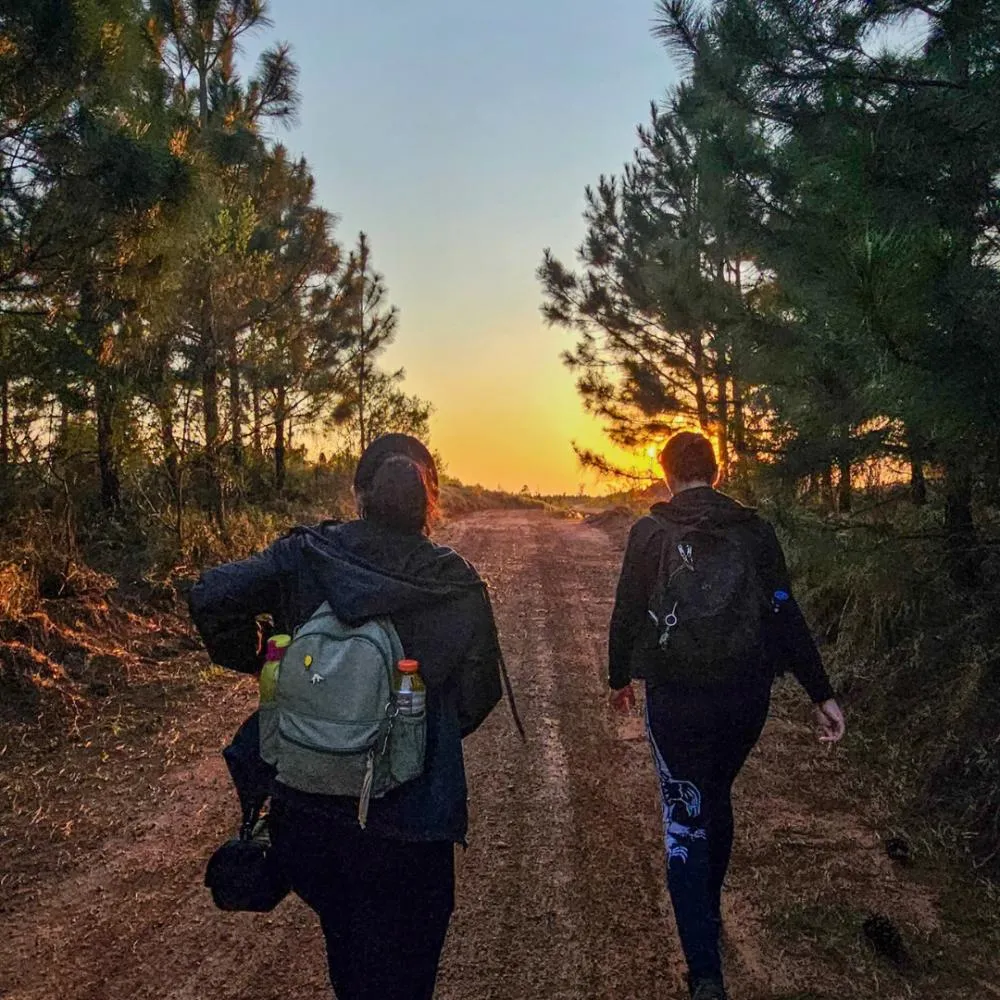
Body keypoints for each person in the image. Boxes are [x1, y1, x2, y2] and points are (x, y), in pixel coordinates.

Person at [189, 434, 505, 1000]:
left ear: (359, 494)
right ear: (430, 502)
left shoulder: (306, 553)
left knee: (351, 961)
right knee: (407, 978)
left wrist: (263, 660)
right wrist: (410, 730)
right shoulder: (453, 581)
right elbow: (479, 696)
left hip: (310, 817)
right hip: (412, 828)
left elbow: (211, 595)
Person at [608, 430, 845, 1000]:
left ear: (667, 474)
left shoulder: (649, 532)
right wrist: (821, 694)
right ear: (716, 472)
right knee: (716, 794)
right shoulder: (755, 531)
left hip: (676, 697)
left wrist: (619, 680)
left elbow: (626, 611)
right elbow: (784, 611)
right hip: (745, 697)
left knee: (685, 813)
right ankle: (708, 910)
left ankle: (705, 973)